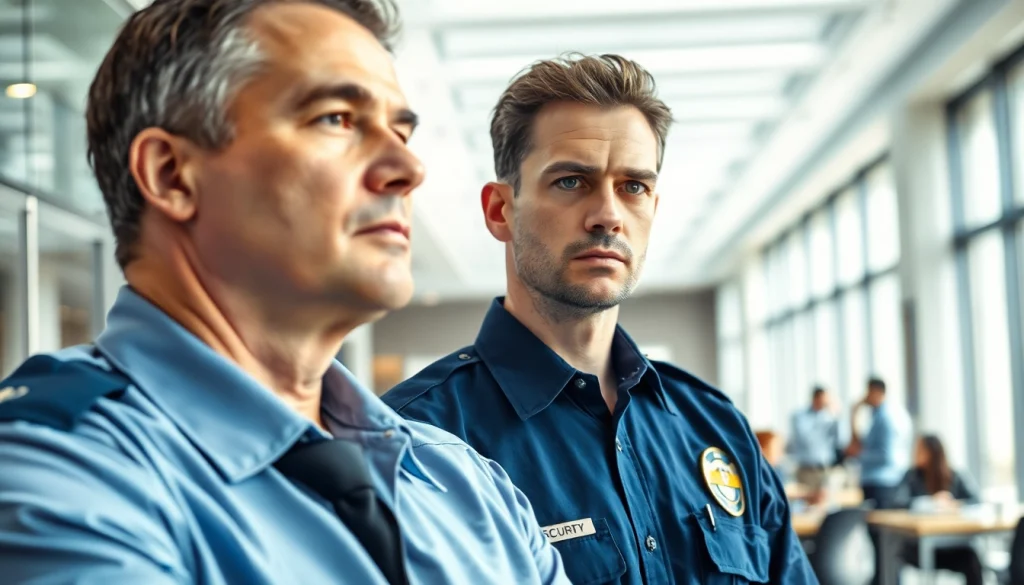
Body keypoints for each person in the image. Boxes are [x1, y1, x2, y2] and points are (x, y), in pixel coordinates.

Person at [0, 2, 570, 584]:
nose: (407, 166)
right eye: (336, 119)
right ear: (171, 174)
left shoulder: (469, 487)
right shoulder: (52, 474)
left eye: (400, 130)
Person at [383, 53, 816, 584]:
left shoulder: (716, 425)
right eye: (571, 181)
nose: (608, 214)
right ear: (501, 211)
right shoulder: (414, 440)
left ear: (653, 209)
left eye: (633, 186)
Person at [895, 435, 984, 585]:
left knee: (972, 558)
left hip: (951, 545)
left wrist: (954, 503)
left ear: (931, 452)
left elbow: (976, 500)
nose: (915, 453)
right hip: (919, 545)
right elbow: (897, 502)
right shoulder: (912, 476)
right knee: (898, 554)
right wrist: (930, 502)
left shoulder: (954, 476)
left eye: (920, 449)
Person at [846, 377, 913, 509]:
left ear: (876, 392)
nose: (866, 396)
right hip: (885, 480)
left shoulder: (885, 418)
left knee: (879, 526)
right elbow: (860, 444)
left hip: (880, 482)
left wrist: (859, 455)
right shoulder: (885, 414)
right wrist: (854, 413)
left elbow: (885, 454)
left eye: (868, 392)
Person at [788, 386, 842, 492]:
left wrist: (837, 416)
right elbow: (806, 440)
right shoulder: (800, 416)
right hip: (807, 470)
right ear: (815, 398)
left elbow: (841, 440)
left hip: (826, 469)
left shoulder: (830, 416)